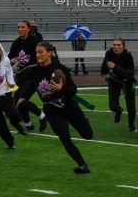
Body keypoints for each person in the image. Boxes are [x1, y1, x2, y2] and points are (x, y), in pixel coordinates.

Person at [17, 41, 93, 173]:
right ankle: (82, 165)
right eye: (36, 52)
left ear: (49, 53)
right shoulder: (34, 70)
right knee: (64, 137)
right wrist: (23, 97)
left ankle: (84, 120)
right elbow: (30, 85)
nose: (38, 55)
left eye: (41, 52)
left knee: (87, 135)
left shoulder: (59, 69)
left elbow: (73, 89)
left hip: (68, 105)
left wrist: (61, 88)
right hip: (51, 109)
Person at [8, 20, 47, 132]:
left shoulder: (36, 42)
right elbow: (10, 57)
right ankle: (28, 124)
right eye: (18, 27)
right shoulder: (16, 43)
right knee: (16, 101)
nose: (20, 29)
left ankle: (42, 116)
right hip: (21, 75)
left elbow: (44, 56)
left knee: (22, 99)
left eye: (22, 27)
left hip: (34, 75)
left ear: (28, 28)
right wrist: (12, 61)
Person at [100, 38, 137, 132]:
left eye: (119, 45)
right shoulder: (109, 53)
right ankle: (119, 110)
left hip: (128, 82)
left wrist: (115, 67)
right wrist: (104, 71)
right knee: (112, 105)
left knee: (131, 107)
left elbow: (130, 73)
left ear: (123, 47)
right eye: (114, 45)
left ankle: (131, 125)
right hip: (114, 81)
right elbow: (105, 65)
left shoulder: (128, 56)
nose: (116, 47)